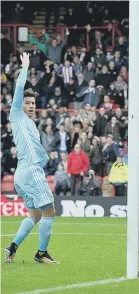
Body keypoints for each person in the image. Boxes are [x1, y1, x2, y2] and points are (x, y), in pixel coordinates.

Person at [4, 52, 59, 264]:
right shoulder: (16, 114)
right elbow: (19, 89)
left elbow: (33, 147)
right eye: (28, 102)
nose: (31, 105)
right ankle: (41, 253)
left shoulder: (30, 124)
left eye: (33, 103)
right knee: (50, 211)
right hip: (30, 170)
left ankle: (12, 247)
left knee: (35, 215)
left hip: (23, 173)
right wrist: (25, 67)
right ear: (20, 104)